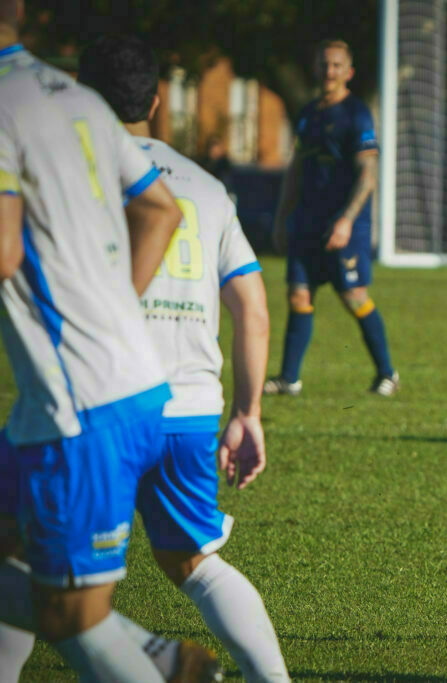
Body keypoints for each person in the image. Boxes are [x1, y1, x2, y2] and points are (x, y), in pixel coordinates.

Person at [77, 35, 290, 681]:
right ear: (157, 100)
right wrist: (247, 412)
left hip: (103, 403)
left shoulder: (78, 173)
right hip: (190, 411)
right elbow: (252, 308)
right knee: (193, 562)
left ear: (86, 98)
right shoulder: (205, 186)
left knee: (35, 570)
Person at [0, 2, 192, 679]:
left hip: (79, 406)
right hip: (108, 385)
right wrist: (114, 312)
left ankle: (145, 656)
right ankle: (152, 649)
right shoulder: (74, 96)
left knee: (69, 619)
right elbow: (160, 208)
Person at [265, 39, 397, 397]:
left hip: (345, 225)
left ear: (349, 72)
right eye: (324, 64)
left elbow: (368, 173)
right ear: (316, 67)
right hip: (307, 220)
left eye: (337, 65)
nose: (329, 71)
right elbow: (296, 168)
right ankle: (289, 379)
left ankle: (387, 374)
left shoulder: (356, 114)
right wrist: (281, 217)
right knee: (298, 295)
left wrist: (346, 220)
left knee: (354, 296)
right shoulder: (308, 114)